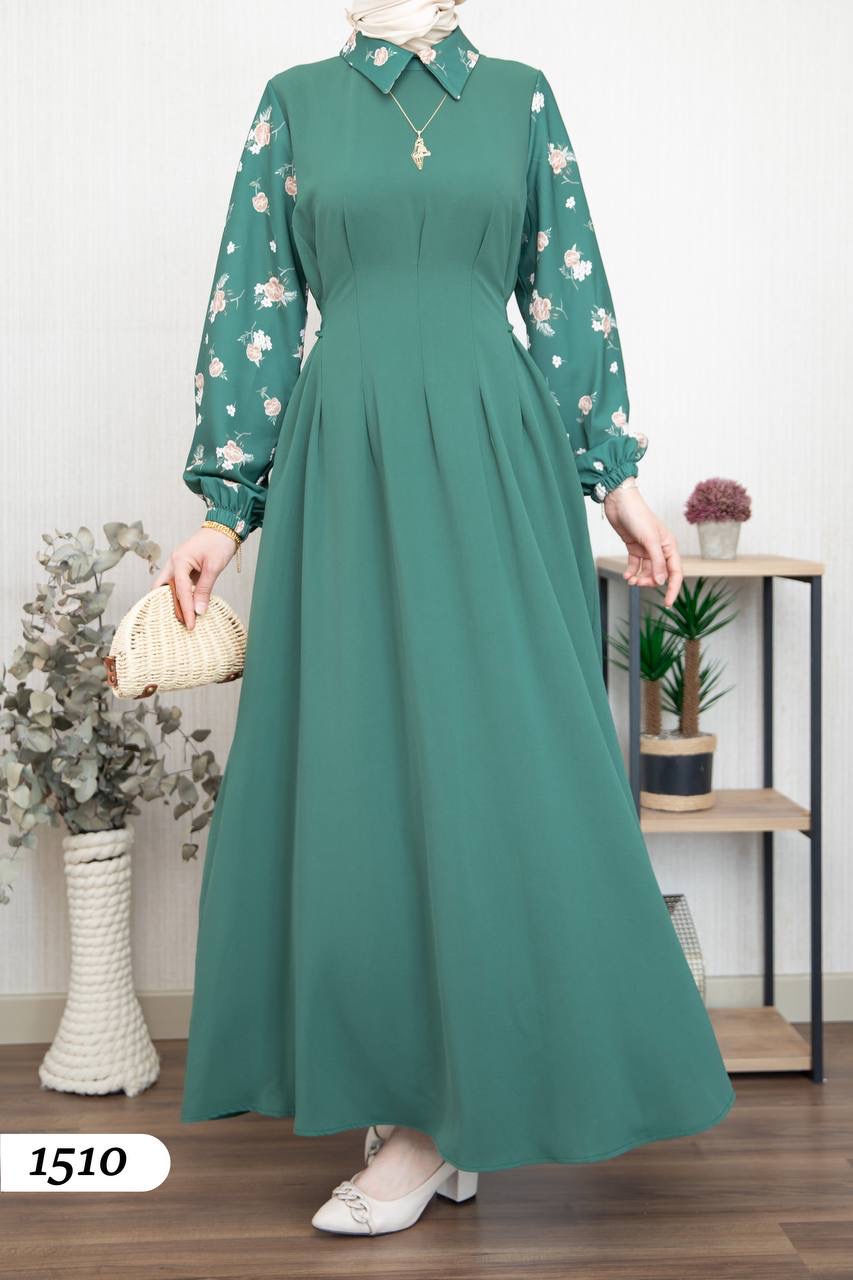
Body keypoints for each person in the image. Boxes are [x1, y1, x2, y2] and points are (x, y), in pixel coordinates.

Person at [154, 0, 735, 1237]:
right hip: (344, 459)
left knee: (499, 767)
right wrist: (222, 513)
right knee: (364, 774)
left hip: (492, 449)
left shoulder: (520, 93)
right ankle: (420, 1102)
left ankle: (443, 1115)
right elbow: (254, 306)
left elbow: (568, 291)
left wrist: (619, 483)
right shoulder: (294, 101)